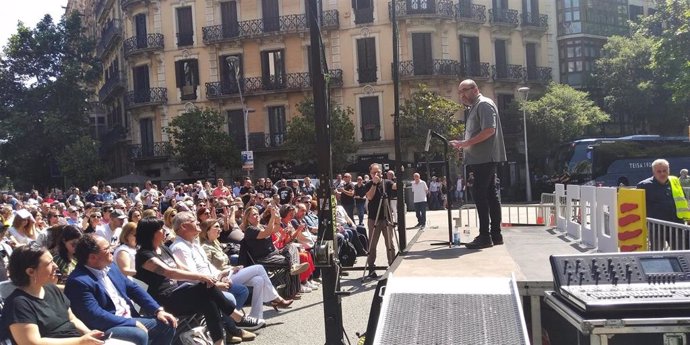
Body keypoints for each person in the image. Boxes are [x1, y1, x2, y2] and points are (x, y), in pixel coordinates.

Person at [133, 217, 255, 344]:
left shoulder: (164, 249)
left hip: (177, 292)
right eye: (161, 229)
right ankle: (238, 317)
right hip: (162, 300)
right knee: (205, 288)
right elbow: (169, 272)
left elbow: (181, 267)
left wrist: (205, 277)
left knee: (209, 300)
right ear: (151, 233)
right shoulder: (144, 255)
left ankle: (220, 341)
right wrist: (201, 277)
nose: (165, 232)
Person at [64, 234, 177, 345]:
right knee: (138, 334)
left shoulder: (110, 266)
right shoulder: (78, 281)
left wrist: (157, 310)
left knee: (168, 322)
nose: (112, 251)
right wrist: (131, 322)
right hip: (106, 327)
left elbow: (132, 288)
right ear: (93, 257)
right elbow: (95, 316)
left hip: (128, 317)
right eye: (107, 249)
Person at [168, 212, 261, 330]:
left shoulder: (194, 244)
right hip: (199, 289)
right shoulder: (179, 248)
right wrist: (217, 285)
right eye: (192, 220)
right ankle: (232, 329)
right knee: (231, 297)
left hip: (212, 282)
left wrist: (222, 275)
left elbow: (208, 266)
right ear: (183, 227)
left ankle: (227, 325)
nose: (197, 222)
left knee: (242, 290)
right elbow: (191, 277)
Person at [0, 244, 107, 344]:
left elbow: (72, 319)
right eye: (49, 263)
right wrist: (80, 341)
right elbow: (32, 343)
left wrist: (89, 334)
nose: (55, 266)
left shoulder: (52, 289)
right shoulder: (18, 304)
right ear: (31, 272)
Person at [450, 79, 507, 249]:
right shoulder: (476, 106)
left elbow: (490, 130)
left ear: (475, 89)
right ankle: (495, 235)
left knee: (481, 195)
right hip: (481, 158)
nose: (462, 96)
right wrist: (464, 145)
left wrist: (464, 144)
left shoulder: (483, 104)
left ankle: (485, 236)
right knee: (489, 195)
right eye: (460, 92)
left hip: (485, 158)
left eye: (464, 91)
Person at [200, 219, 293, 320]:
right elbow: (208, 268)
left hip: (230, 272)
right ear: (207, 230)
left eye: (219, 227)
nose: (220, 229)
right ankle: (276, 299)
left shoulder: (215, 243)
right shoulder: (205, 247)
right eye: (216, 227)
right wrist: (226, 272)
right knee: (259, 268)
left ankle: (256, 316)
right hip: (222, 278)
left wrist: (232, 268)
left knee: (259, 280)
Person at [364, 163, 396, 279]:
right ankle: (371, 268)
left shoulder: (386, 182)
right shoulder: (368, 184)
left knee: (390, 243)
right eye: (374, 172)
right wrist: (374, 183)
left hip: (386, 216)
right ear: (370, 173)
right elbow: (370, 197)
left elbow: (395, 186)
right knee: (372, 244)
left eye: (378, 172)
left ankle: (392, 265)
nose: (376, 174)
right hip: (374, 218)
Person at [637, 159, 689, 224]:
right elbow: (638, 209)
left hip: (677, 225)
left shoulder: (675, 180)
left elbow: (683, 200)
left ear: (669, 170)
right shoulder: (644, 185)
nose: (662, 173)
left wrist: (688, 219)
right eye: (659, 171)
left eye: (665, 170)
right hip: (657, 227)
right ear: (653, 172)